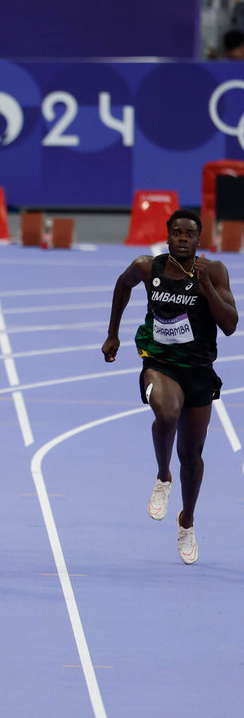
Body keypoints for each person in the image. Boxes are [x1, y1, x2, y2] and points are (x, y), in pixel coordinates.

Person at [102, 209, 237, 565]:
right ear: (167, 237)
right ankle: (163, 476)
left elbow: (230, 325)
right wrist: (113, 334)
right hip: (158, 361)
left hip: (199, 369)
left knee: (192, 455)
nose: (181, 238)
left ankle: (187, 520)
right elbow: (122, 285)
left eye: (188, 234)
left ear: (198, 239)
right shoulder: (149, 267)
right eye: (176, 232)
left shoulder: (216, 271)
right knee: (166, 411)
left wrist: (206, 286)